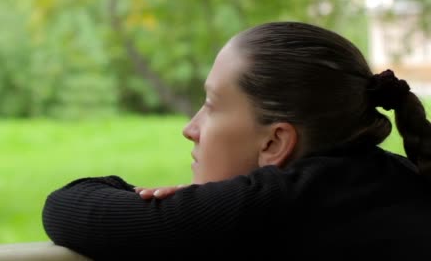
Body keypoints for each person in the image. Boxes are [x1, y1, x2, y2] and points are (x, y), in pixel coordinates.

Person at [42, 21, 431, 260]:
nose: (190, 128)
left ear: (275, 143)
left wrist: (148, 200)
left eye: (211, 106)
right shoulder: (401, 177)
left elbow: (67, 209)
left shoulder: (276, 203)